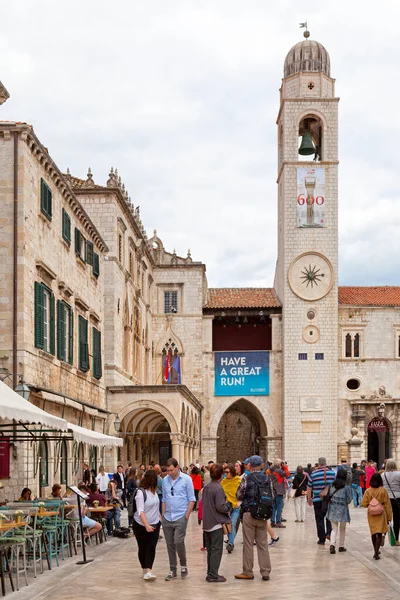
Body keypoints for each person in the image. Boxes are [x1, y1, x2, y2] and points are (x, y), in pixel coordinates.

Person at [235, 455, 273, 581]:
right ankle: (265, 571)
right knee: (262, 544)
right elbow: (272, 495)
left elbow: (239, 495)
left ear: (250, 466)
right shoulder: (268, 478)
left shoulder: (247, 478)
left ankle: (248, 571)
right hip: (263, 514)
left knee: (248, 543)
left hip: (249, 513)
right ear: (261, 465)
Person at [162, 458, 195, 581]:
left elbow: (192, 498)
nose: (169, 473)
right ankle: (172, 569)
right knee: (170, 544)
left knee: (178, 541)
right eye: (167, 470)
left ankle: (183, 564)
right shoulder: (165, 480)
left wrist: (186, 516)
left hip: (181, 515)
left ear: (177, 467)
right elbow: (164, 498)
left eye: (171, 470)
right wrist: (163, 514)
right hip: (168, 517)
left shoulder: (186, 479)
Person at [202, 463, 231, 583]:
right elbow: (220, 506)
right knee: (216, 550)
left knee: (210, 550)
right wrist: (228, 506)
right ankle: (213, 575)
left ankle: (210, 573)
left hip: (207, 523)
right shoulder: (218, 488)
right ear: (221, 475)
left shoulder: (207, 487)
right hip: (216, 523)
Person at [132, 469, 161, 581]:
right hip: (140, 525)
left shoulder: (154, 492)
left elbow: (156, 506)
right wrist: (146, 525)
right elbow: (140, 511)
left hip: (155, 523)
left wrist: (159, 519)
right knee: (143, 547)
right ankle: (145, 568)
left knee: (151, 547)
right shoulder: (141, 493)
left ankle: (149, 570)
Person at [362, 472, 393, 559]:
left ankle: (375, 550)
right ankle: (376, 551)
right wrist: (389, 517)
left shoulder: (368, 491)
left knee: (373, 532)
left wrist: (371, 505)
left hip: (371, 514)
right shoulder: (383, 490)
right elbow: (388, 504)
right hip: (381, 514)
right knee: (379, 533)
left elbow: (364, 503)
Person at [307, 457, 335, 545]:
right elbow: (334, 486)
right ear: (326, 463)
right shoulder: (332, 473)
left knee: (319, 519)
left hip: (317, 500)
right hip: (329, 500)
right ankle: (329, 533)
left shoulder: (314, 474)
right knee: (328, 518)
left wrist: (309, 499)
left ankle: (321, 539)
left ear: (318, 464)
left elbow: (309, 488)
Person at [326, 469, 352, 554]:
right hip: (343, 510)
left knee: (334, 528)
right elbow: (348, 500)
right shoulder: (347, 487)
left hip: (332, 508)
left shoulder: (332, 485)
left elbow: (329, 495)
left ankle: (332, 545)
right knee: (342, 529)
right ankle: (341, 546)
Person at [221, 463, 242, 553]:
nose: (226, 474)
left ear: (232, 472)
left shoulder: (238, 481)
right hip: (227, 507)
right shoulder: (223, 482)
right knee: (228, 525)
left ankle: (230, 543)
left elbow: (243, 492)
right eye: (224, 472)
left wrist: (240, 502)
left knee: (232, 524)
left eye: (227, 472)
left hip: (236, 507)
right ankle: (231, 542)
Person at [382, 458, 400, 545]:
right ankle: (396, 539)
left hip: (386, 499)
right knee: (397, 519)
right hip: (397, 498)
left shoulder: (383, 475)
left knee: (386, 519)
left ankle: (383, 536)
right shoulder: (399, 474)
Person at [268, 459, 287, 528]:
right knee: (279, 506)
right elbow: (287, 474)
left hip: (273, 490)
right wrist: (285, 467)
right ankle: (278, 521)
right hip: (279, 491)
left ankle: (272, 521)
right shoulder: (279, 471)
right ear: (279, 464)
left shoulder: (271, 470)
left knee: (274, 506)